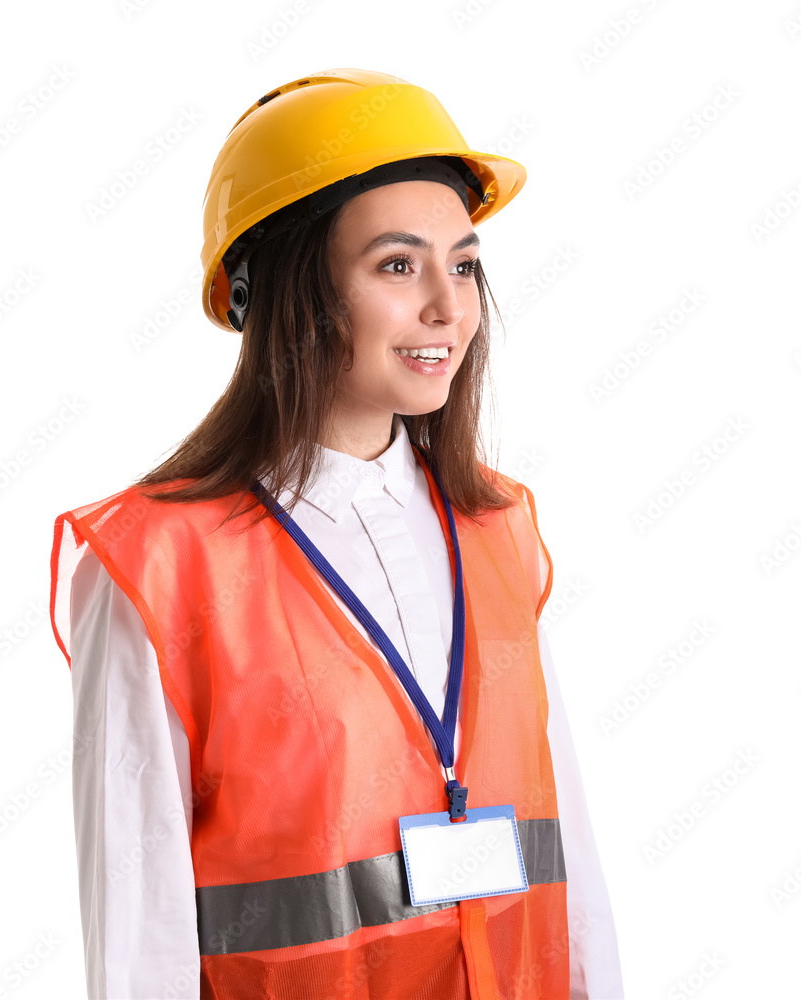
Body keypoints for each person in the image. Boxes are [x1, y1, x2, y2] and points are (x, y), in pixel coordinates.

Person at [49, 67, 624, 999]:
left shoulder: (495, 531)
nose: (450, 305)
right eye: (398, 265)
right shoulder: (159, 569)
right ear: (287, 290)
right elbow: (137, 934)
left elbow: (575, 872)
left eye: (465, 263)